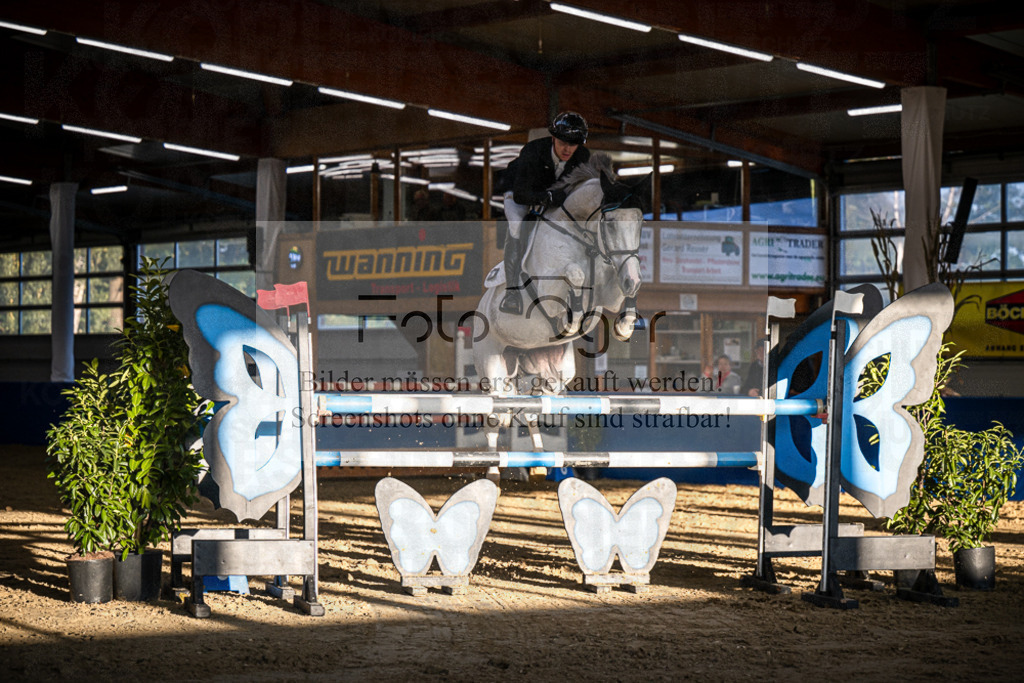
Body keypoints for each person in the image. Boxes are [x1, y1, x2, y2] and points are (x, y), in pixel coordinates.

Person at [500, 111, 591, 314]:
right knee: (517, 226)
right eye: (563, 143)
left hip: (552, 194)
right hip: (519, 192)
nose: (568, 149)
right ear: (553, 138)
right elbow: (522, 195)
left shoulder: (583, 156)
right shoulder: (532, 151)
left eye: (573, 144)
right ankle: (512, 292)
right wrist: (548, 198)